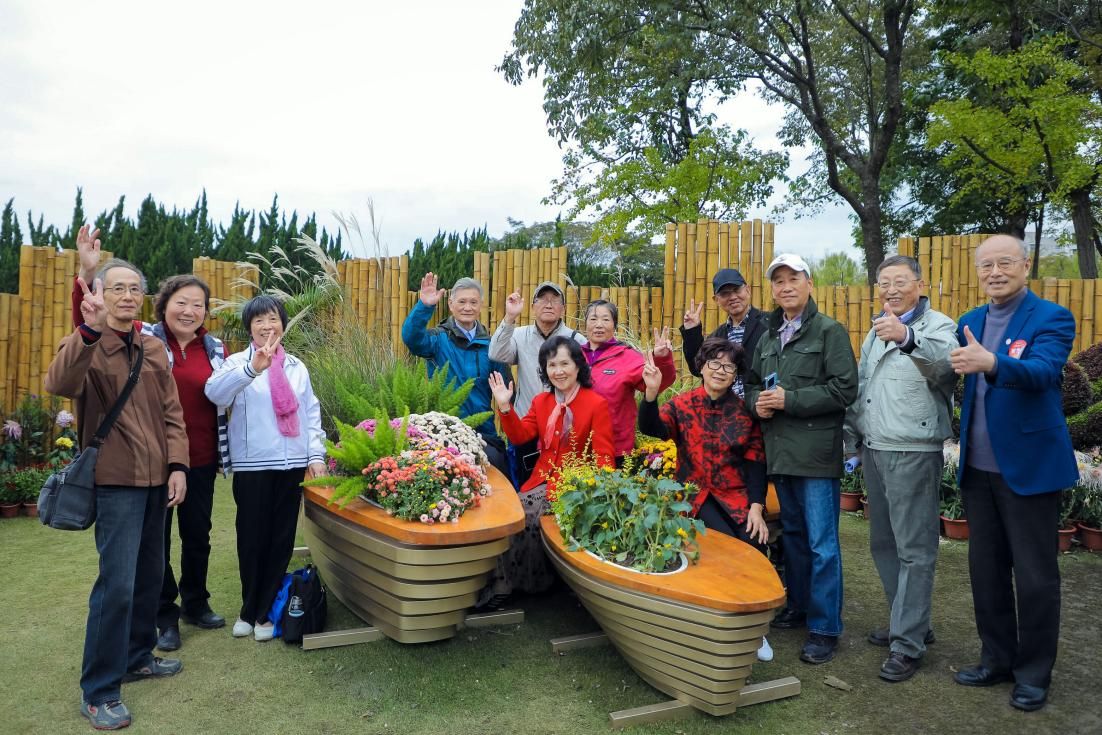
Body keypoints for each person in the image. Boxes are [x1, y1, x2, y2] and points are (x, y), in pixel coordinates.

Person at [45, 258, 189, 731]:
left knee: (149, 577)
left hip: (156, 481)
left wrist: (177, 466)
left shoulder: (153, 347)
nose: (127, 296)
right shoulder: (87, 343)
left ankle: (136, 658)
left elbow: (171, 414)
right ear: (101, 296)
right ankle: (99, 690)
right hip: (115, 483)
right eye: (117, 289)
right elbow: (59, 383)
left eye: (134, 289)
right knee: (117, 585)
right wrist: (87, 332)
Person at [73, 226, 229, 653]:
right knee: (155, 544)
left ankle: (196, 602)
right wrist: (87, 275)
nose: (190, 311)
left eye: (198, 305)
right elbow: (90, 323)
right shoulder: (144, 337)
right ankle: (165, 615)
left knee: (198, 535)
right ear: (164, 303)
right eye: (182, 302)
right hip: (152, 460)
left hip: (200, 458)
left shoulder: (216, 349)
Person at [949, 235, 1078, 712]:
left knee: (1035, 578)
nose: (995, 272)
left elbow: (1043, 372)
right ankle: (997, 659)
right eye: (986, 265)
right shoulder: (970, 321)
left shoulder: (1052, 317)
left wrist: (992, 362)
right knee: (986, 572)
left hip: (1029, 469)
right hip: (978, 469)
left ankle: (1034, 674)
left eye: (1005, 262)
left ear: (1026, 265)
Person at [842, 255, 957, 682]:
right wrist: (852, 440)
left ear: (920, 285)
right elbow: (861, 387)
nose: (891, 289)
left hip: (913, 449)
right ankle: (908, 622)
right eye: (884, 282)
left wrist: (907, 337)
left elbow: (946, 367)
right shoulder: (876, 330)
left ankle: (907, 644)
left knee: (915, 549)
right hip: (875, 448)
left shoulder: (938, 326)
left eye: (900, 281)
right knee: (884, 543)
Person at [746, 253, 858, 665]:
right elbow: (751, 384)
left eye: (793, 278)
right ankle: (798, 605)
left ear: (809, 284)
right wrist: (757, 402)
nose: (786, 286)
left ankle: (825, 627)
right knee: (792, 537)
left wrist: (790, 400)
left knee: (822, 543)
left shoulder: (829, 331)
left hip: (814, 455)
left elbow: (845, 389)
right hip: (780, 453)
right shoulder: (768, 336)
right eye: (778, 281)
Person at [638, 336, 773, 662]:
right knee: (723, 544)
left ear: (736, 374)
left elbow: (756, 461)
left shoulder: (743, 413)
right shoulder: (682, 405)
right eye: (714, 363)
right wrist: (651, 394)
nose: (721, 370)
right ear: (701, 366)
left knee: (755, 543)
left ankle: (755, 627)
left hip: (733, 494)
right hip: (692, 494)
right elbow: (653, 428)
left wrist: (757, 507)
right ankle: (718, 620)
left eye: (729, 366)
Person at [204, 295, 327, 642]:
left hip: (292, 464)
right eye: (258, 320)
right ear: (249, 328)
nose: (267, 326)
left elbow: (311, 414)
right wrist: (252, 369)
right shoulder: (236, 362)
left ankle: (263, 614)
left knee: (281, 539)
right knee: (252, 538)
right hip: (253, 465)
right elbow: (215, 394)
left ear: (283, 325)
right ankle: (248, 609)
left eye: (273, 319)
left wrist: (315, 456)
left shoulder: (297, 366)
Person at [487, 336, 615, 595]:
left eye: (564, 364)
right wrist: (505, 406)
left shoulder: (596, 404)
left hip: (577, 488)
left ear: (578, 365)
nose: (558, 371)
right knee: (508, 515)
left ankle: (521, 586)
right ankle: (504, 583)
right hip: (540, 482)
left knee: (531, 519)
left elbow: (604, 457)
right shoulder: (541, 401)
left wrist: (600, 495)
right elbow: (520, 436)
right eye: (552, 365)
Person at [402, 273, 510, 476]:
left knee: (498, 473)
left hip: (483, 433)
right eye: (462, 302)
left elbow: (506, 392)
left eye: (473, 302)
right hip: (444, 432)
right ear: (451, 304)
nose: (467, 307)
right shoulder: (437, 339)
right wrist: (424, 307)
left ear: (481, 306)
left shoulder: (491, 346)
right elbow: (411, 338)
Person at [489, 281, 585, 487]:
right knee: (525, 486)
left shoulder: (576, 340)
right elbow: (496, 353)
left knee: (564, 487)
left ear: (563, 308)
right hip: (526, 424)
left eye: (555, 300)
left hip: (565, 430)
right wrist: (510, 317)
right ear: (533, 306)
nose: (548, 304)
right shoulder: (518, 335)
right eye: (542, 299)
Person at [581, 300, 676, 464]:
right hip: (577, 446)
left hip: (616, 448)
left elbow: (657, 383)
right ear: (585, 324)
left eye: (605, 319)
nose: (599, 325)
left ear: (615, 325)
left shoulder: (628, 356)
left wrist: (662, 359)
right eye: (593, 319)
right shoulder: (574, 355)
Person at [680, 268, 769, 397]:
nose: (732, 297)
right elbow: (698, 368)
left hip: (762, 404)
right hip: (726, 407)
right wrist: (692, 330)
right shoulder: (717, 336)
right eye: (725, 294)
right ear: (716, 300)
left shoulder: (770, 324)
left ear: (748, 290)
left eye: (737, 290)